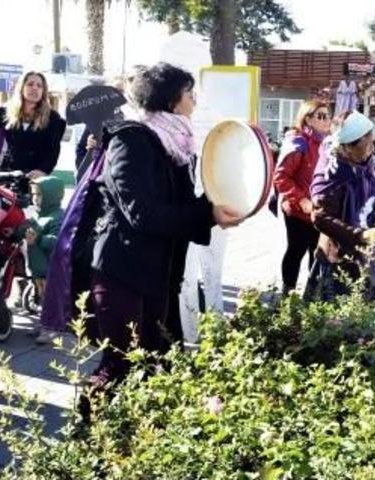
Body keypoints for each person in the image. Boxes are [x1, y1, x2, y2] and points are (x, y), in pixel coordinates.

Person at [81, 63, 242, 418]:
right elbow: (142, 212)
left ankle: (138, 440)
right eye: (189, 93)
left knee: (154, 358)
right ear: (171, 100)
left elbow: (181, 208)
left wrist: (218, 205)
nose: (195, 101)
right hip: (122, 272)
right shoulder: (131, 139)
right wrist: (207, 215)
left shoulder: (177, 144)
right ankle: (86, 430)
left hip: (159, 274)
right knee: (121, 362)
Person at [305, 111, 375, 301]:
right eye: (368, 144)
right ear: (348, 147)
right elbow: (321, 217)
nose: (372, 149)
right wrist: (360, 235)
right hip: (341, 257)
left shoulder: (363, 163)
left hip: (369, 251)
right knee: (340, 315)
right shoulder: (332, 175)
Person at [273, 100, 331, 293]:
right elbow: (281, 177)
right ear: (308, 119)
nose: (326, 120)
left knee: (318, 254)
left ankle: (312, 295)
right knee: (295, 252)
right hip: (298, 212)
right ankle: (287, 293)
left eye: (328, 115)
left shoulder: (327, 143)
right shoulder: (298, 143)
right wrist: (301, 200)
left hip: (319, 212)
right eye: (321, 116)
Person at [0, 71, 66, 178]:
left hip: (35, 177)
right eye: (30, 84)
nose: (35, 88)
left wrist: (43, 171)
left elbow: (53, 151)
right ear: (21, 88)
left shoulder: (53, 117)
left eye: (39, 86)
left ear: (43, 91)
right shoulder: (7, 111)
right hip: (8, 174)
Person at [23, 176, 65, 344]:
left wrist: (39, 239)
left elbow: (58, 241)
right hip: (37, 267)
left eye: (39, 195)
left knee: (50, 299)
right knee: (41, 297)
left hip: (50, 267)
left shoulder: (57, 217)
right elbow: (26, 230)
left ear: (52, 195)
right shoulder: (37, 216)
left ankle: (52, 328)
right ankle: (43, 323)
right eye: (34, 194)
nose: (35, 198)